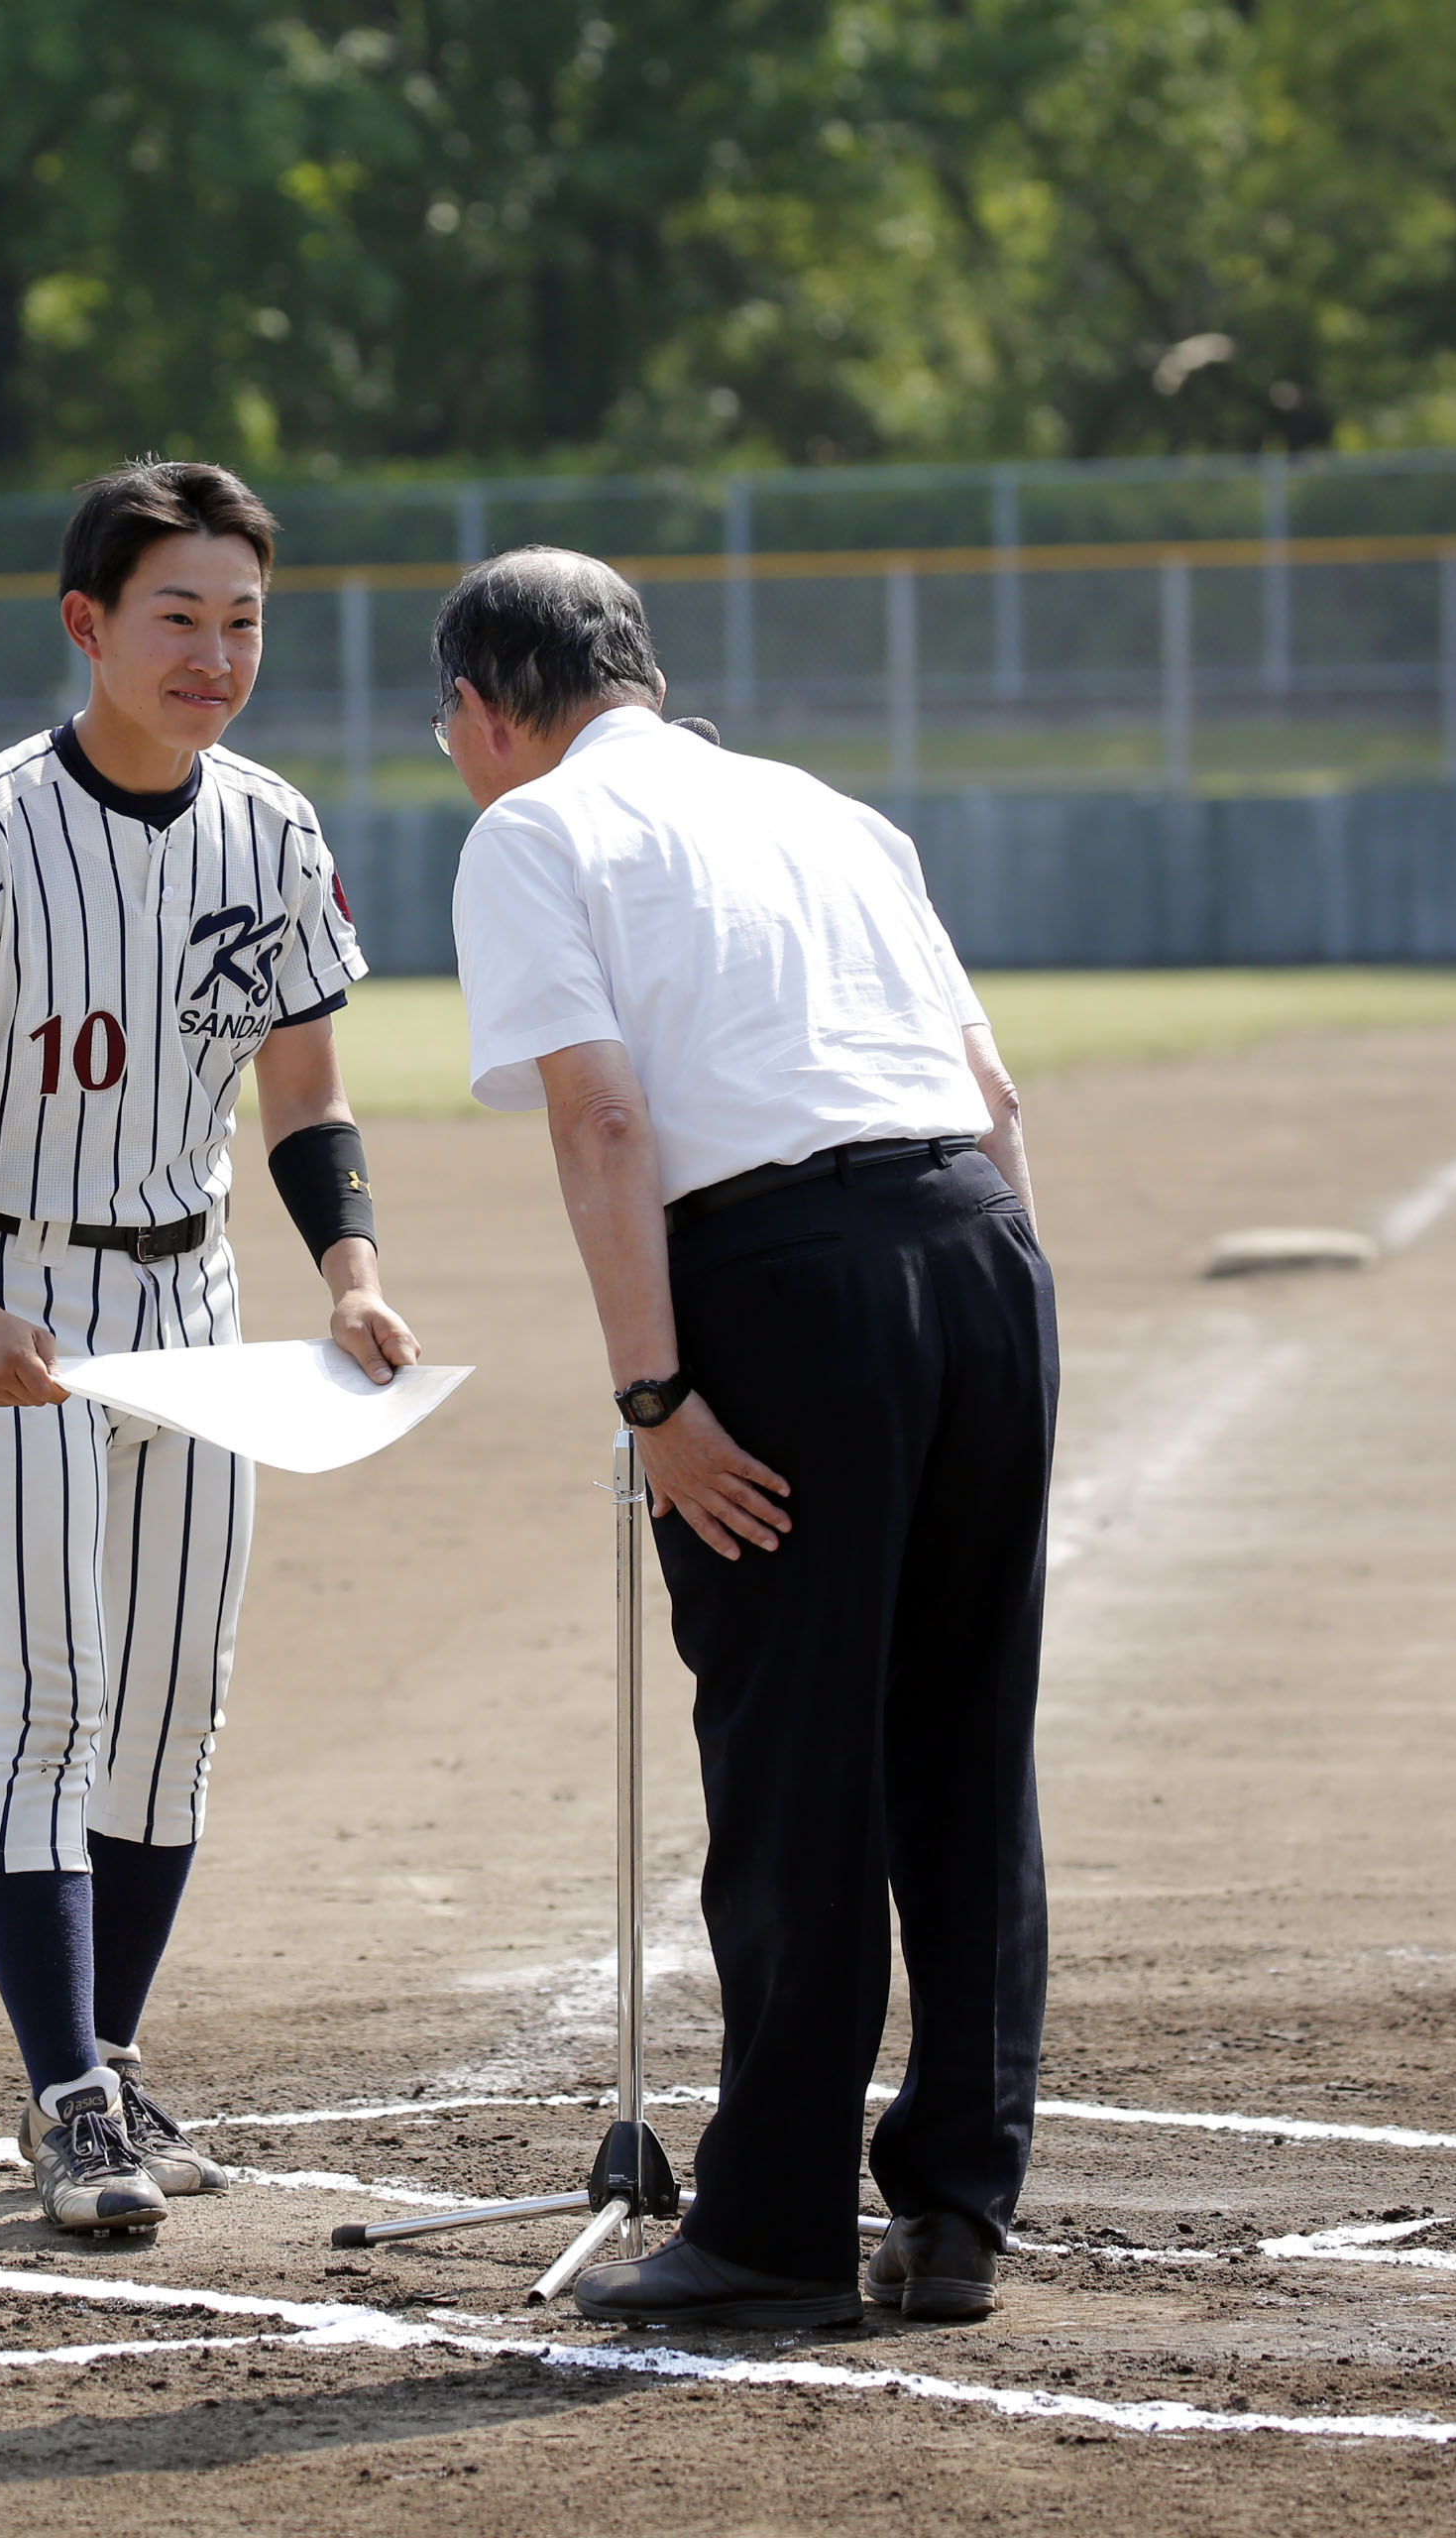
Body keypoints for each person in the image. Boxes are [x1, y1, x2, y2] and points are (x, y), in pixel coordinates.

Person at [441, 547, 1052, 2329]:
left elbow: (606, 1116)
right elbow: (992, 1091)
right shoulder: (835, 814)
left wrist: (658, 1401)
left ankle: (775, 2219)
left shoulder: (533, 831)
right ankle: (955, 2209)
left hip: (790, 1290)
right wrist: (1007, 1346)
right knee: (963, 1741)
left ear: (488, 708)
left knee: (794, 1763)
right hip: (980, 1257)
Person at [0, 459, 421, 2237]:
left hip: (203, 1304)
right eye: (178, 614)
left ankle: (109, 2057)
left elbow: (304, 1091)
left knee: (172, 1718)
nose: (215, 651)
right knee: (43, 1709)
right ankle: (69, 2094)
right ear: (89, 626)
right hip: (22, 1303)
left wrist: (351, 1272)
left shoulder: (272, 828)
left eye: (243, 617)